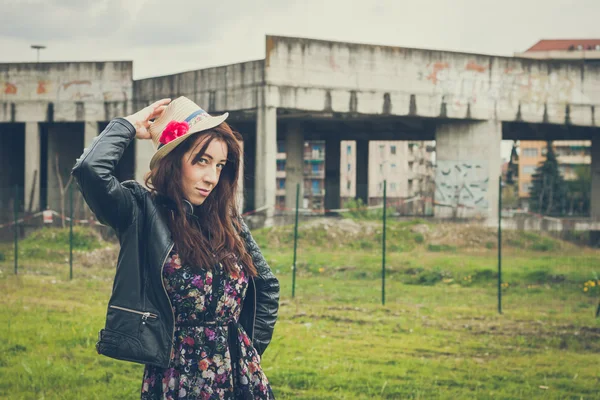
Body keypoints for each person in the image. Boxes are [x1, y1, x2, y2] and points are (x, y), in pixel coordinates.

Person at [72, 97, 280, 399]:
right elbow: (91, 170)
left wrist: (249, 351)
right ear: (173, 162)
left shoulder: (228, 221)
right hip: (179, 377)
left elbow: (266, 286)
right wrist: (130, 124)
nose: (212, 177)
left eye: (220, 165)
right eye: (202, 161)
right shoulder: (141, 212)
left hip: (242, 378)